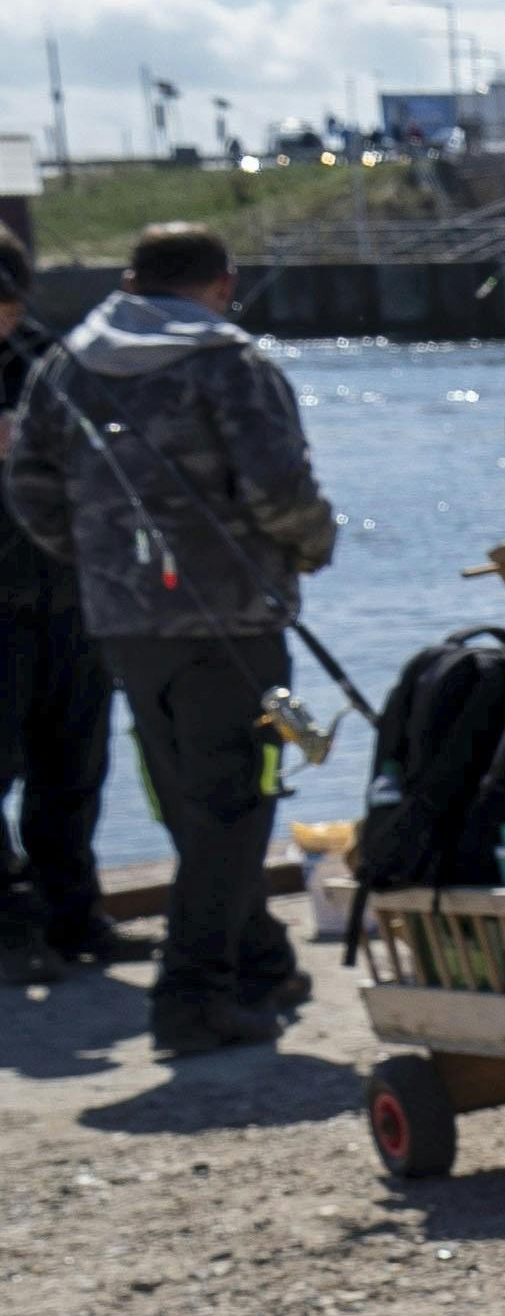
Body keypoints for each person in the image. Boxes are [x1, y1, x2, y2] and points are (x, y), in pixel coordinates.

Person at [2, 226, 338, 1054]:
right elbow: (279, 487)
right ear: (223, 284)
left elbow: (29, 489)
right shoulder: (230, 364)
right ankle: (191, 999)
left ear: (128, 281)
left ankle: (259, 961)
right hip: (231, 619)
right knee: (239, 802)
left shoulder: (66, 366)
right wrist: (311, 546)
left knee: (193, 797)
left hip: (122, 623)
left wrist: (100, 563)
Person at [0, 218, 122, 975]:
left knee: (74, 764)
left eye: (9, 303)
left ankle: (75, 915)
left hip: (70, 592)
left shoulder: (53, 361)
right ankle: (9, 930)